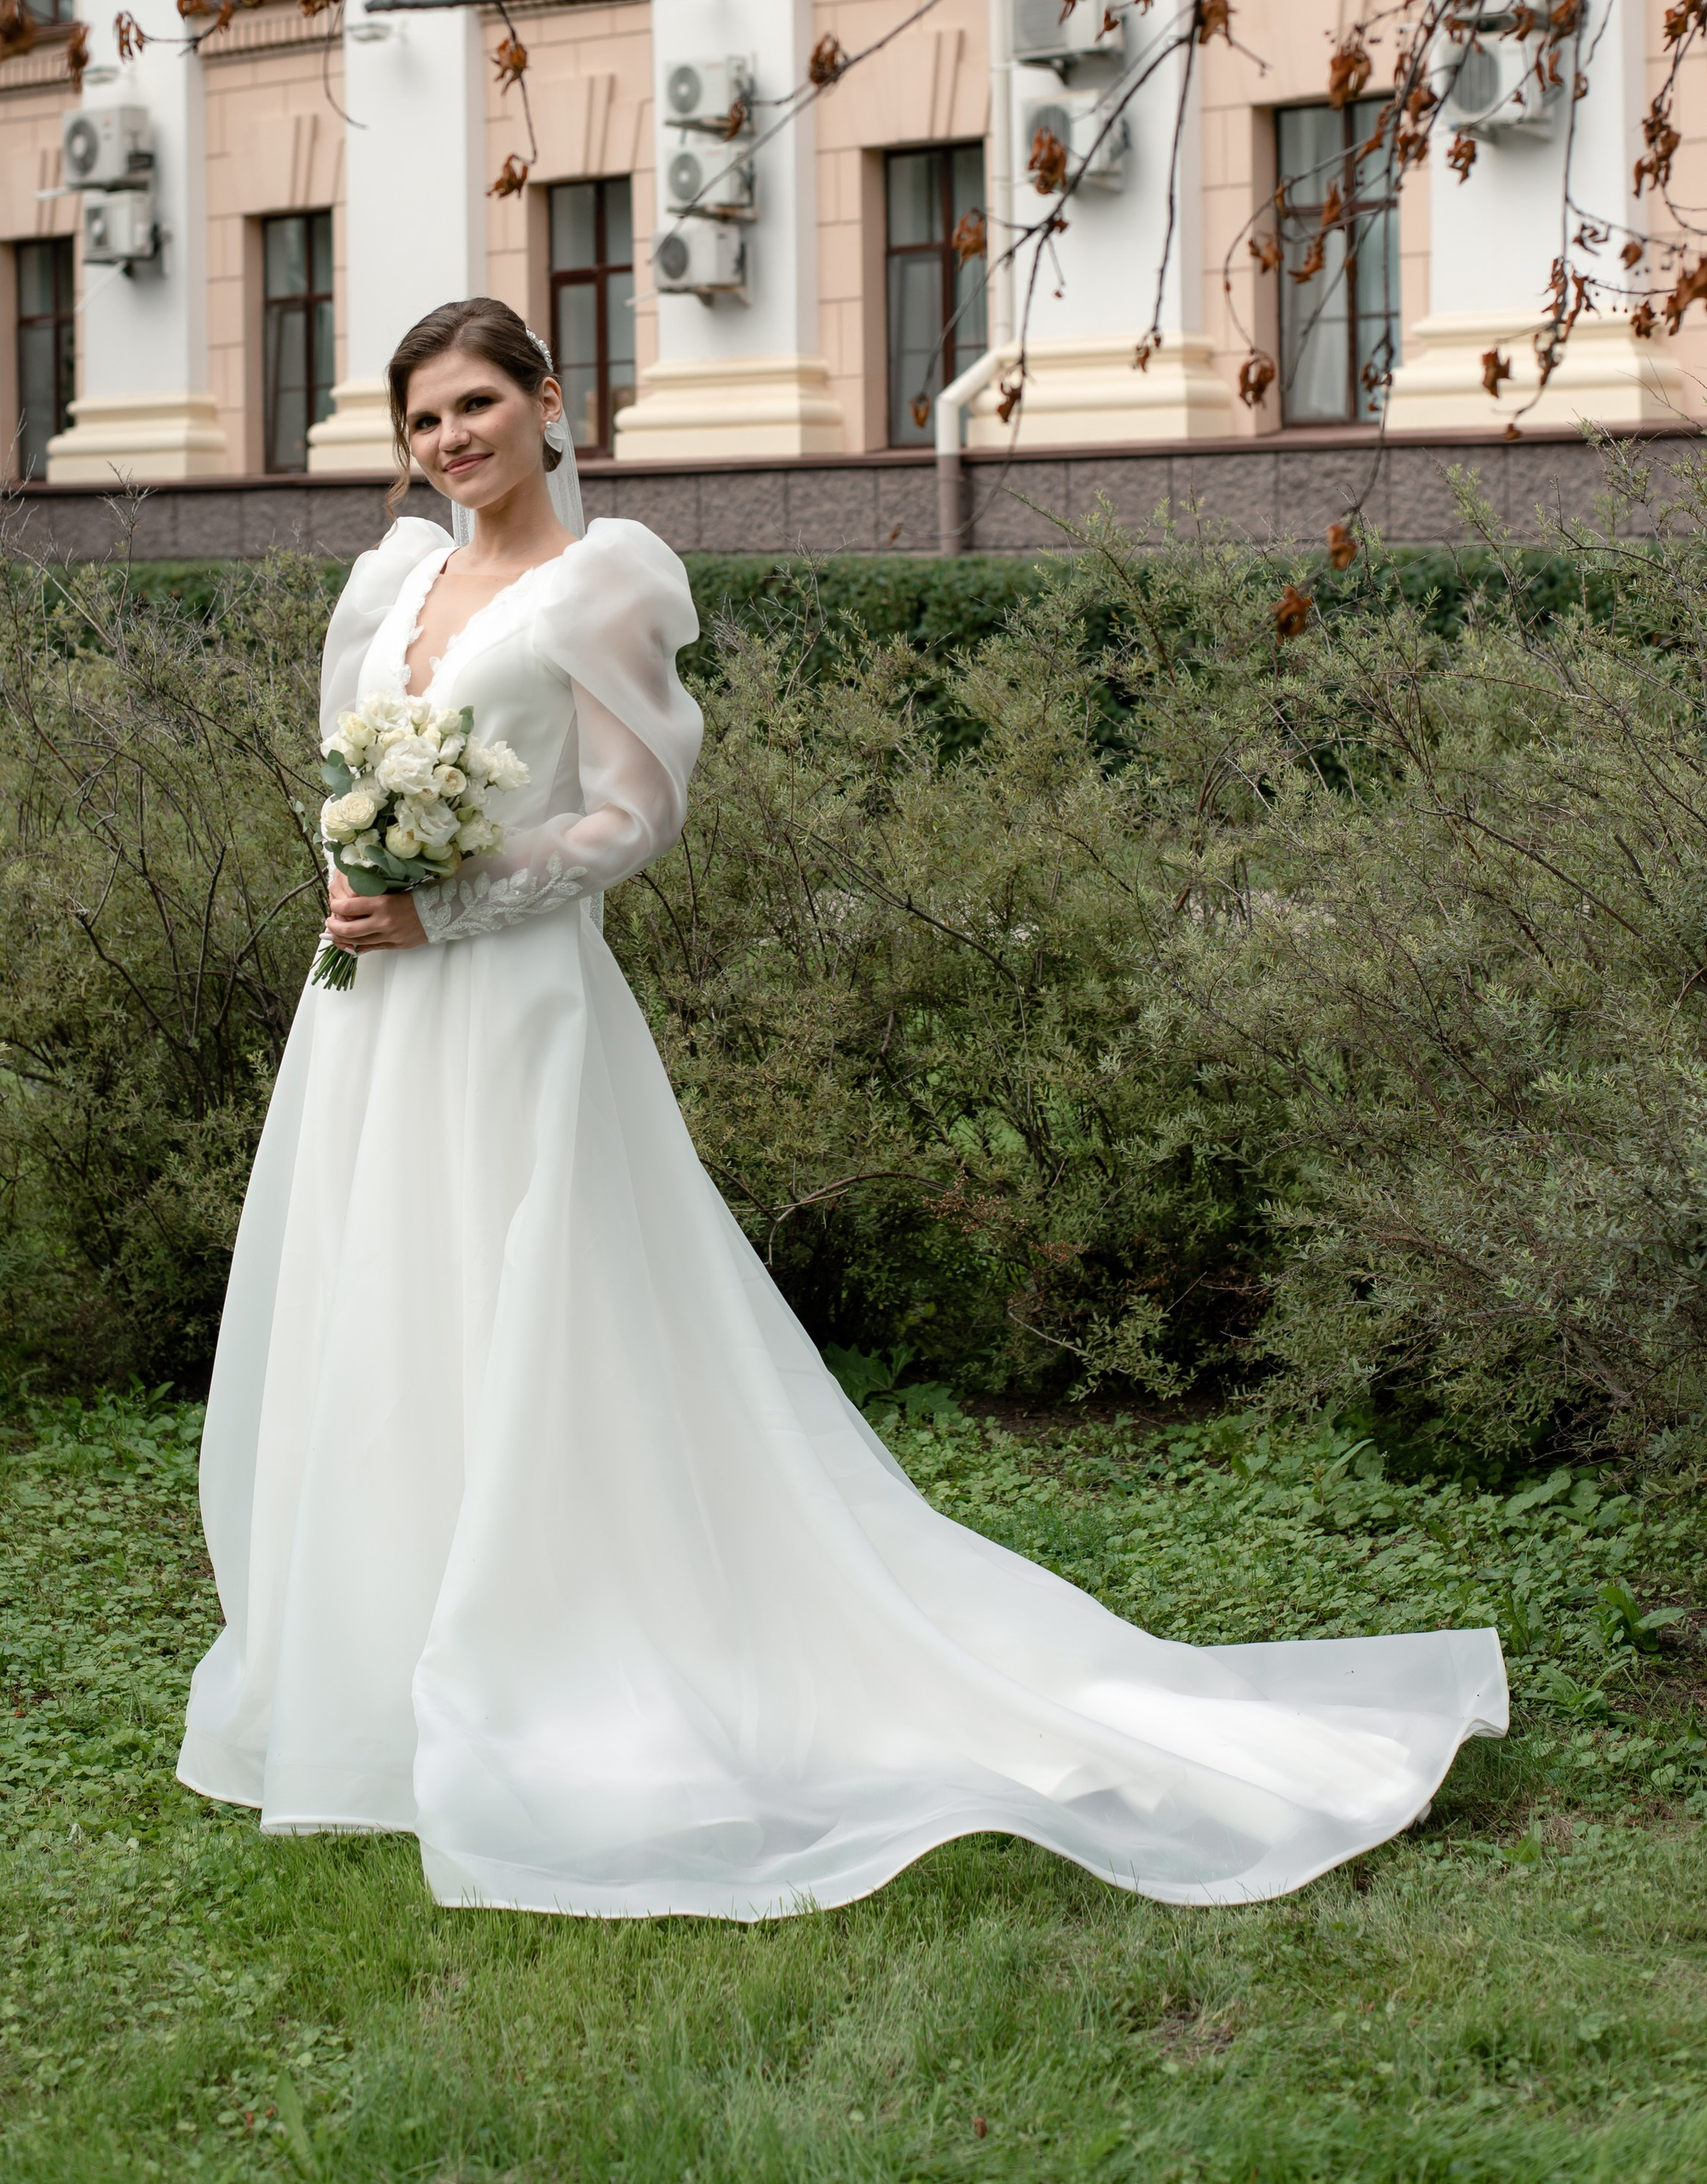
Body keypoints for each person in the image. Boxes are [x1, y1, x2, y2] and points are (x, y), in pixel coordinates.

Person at [178, 295, 1506, 1917]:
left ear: (546, 404)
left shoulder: (601, 583)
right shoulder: (395, 581)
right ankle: (381, 1658)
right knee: (386, 1305)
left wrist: (450, 901)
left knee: (539, 1309)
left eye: (473, 406)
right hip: (377, 1018)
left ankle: (558, 1647)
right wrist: (359, 874)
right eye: (420, 422)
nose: (448, 442)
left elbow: (625, 822)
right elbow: (349, 767)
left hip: (515, 1005)